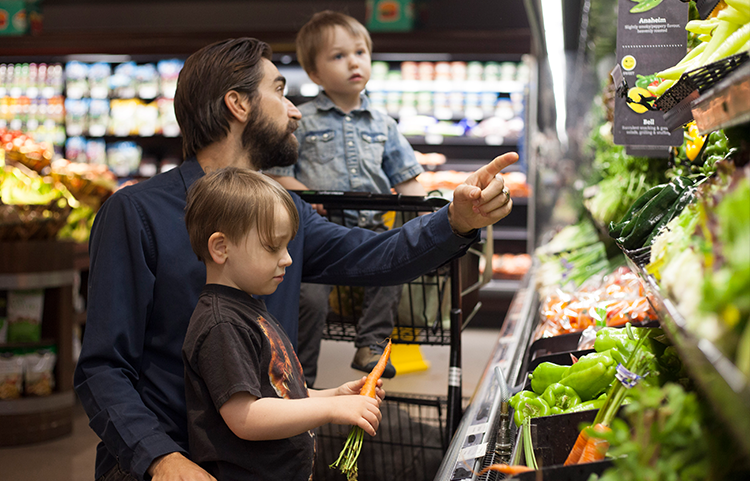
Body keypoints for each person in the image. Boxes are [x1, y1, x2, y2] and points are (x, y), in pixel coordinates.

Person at [74, 36, 516, 481]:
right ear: (237, 104)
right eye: (281, 91)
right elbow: (103, 368)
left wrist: (455, 220)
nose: (297, 111)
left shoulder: (286, 213)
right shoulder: (136, 214)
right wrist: (161, 460)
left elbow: (374, 254)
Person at [182, 167, 384, 480]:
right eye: (272, 246)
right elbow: (246, 417)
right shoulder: (222, 324)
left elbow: (281, 396)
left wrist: (336, 395)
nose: (287, 258)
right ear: (221, 248)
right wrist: (330, 412)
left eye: (287, 246)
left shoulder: (249, 310)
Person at [265, 10, 425, 384]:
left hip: (370, 230)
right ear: (316, 74)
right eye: (338, 56)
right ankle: (301, 375)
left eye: (360, 53)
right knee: (309, 299)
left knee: (393, 268)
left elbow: (408, 179)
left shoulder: (384, 124)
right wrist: (306, 194)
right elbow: (276, 176)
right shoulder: (300, 120)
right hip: (316, 235)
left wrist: (429, 213)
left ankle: (370, 344)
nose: (353, 62)